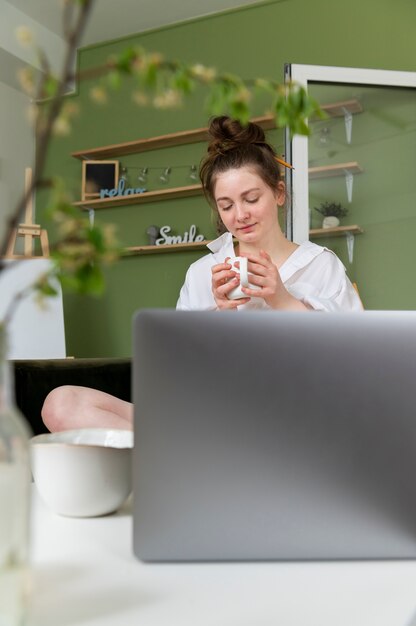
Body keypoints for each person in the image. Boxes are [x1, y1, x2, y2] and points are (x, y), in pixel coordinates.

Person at [41, 115, 362, 433]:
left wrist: (282, 299)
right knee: (61, 404)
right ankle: (179, 455)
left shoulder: (320, 265)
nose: (240, 215)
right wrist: (219, 317)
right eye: (226, 205)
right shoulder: (203, 272)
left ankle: (177, 458)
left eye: (251, 199)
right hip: (205, 415)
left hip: (283, 421)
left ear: (278, 193)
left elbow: (354, 365)